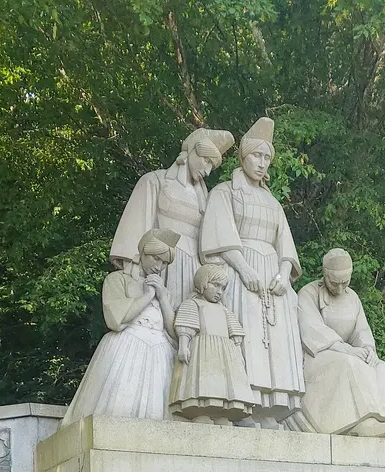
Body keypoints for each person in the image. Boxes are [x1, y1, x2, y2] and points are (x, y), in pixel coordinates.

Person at [199, 117, 305, 427]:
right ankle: (242, 405)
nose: (261, 163)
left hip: (272, 278)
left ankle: (269, 409)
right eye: (256, 155)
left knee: (274, 346)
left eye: (266, 157)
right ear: (244, 156)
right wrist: (244, 269)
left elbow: (285, 245)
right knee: (246, 340)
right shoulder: (225, 192)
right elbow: (219, 235)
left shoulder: (273, 202)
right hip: (239, 272)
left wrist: (284, 273)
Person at [62, 229, 180, 425]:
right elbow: (115, 320)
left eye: (165, 263)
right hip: (126, 345)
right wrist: (148, 295)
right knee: (118, 405)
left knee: (157, 411)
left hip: (160, 353)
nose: (159, 266)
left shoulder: (165, 292)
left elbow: (174, 332)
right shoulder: (117, 279)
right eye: (156, 258)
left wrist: (162, 298)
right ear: (143, 253)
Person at [294, 248, 385, 438]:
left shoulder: (353, 298)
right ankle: (360, 421)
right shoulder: (308, 293)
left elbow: (361, 330)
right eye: (334, 283)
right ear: (325, 274)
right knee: (348, 364)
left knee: (383, 368)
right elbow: (311, 329)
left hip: (349, 353)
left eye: (345, 282)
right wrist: (345, 349)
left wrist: (368, 349)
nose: (340, 288)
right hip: (318, 356)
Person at [110, 129, 234, 307]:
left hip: (195, 271)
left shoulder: (206, 199)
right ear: (193, 150)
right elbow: (134, 234)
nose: (207, 171)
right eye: (206, 160)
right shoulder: (155, 181)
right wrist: (135, 270)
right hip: (162, 265)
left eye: (212, 166)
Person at [169, 263, 254, 424]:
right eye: (215, 285)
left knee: (224, 386)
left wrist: (238, 353)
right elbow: (186, 326)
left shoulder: (225, 310)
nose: (219, 291)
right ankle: (201, 413)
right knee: (203, 384)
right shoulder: (192, 304)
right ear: (202, 283)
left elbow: (235, 334)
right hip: (202, 353)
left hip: (225, 354)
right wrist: (183, 345)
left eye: (223, 288)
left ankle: (221, 414)